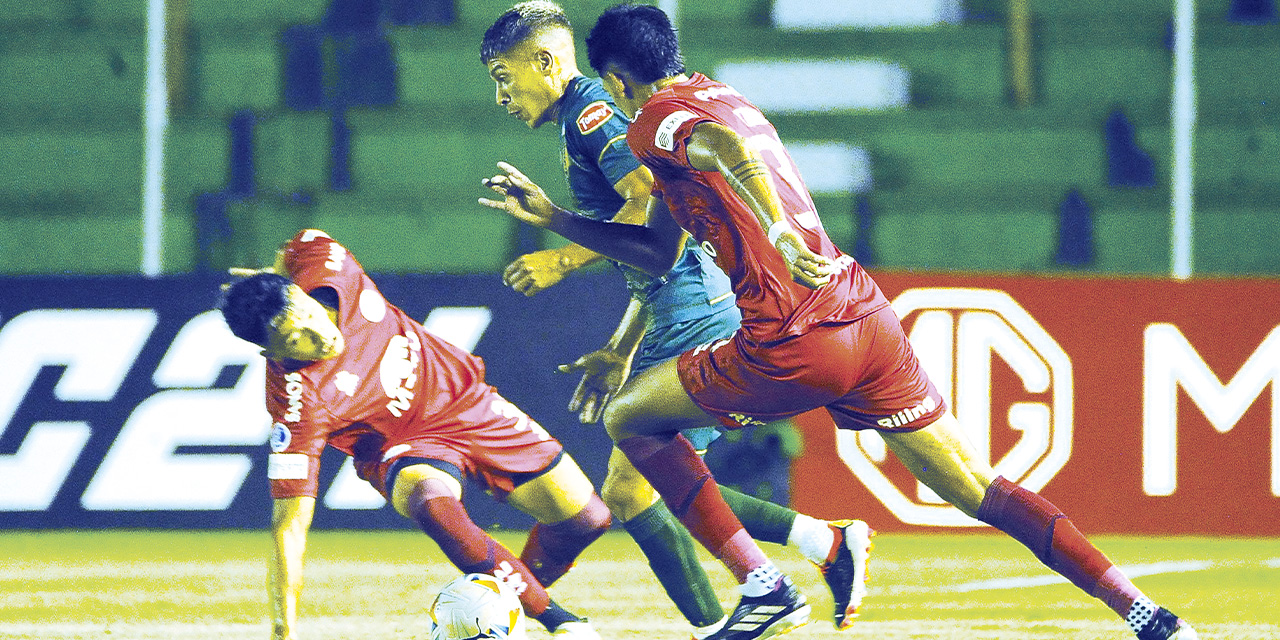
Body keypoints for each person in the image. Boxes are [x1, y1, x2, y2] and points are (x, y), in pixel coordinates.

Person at [478, 5, 1200, 640]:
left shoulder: (655, 119)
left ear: (619, 77)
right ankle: (1141, 611)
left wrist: (776, 231)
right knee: (979, 489)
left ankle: (764, 585)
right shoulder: (728, 96)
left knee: (631, 420)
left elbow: (719, 156)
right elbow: (658, 246)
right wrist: (556, 219)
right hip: (866, 317)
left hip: (792, 340)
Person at [479, 3, 871, 637]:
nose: (501, 95)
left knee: (635, 486)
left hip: (695, 305)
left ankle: (760, 594)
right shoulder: (581, 117)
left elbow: (647, 199)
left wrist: (564, 256)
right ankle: (817, 549)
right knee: (641, 486)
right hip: (679, 303)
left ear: (545, 62)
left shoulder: (590, 116)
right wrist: (620, 347)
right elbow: (653, 252)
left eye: (504, 75)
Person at [219, 229, 610, 640]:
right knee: (430, 499)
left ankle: (495, 606)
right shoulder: (297, 402)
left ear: (298, 292)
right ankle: (561, 623)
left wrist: (272, 272)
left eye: (309, 317)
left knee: (587, 520)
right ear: (270, 353)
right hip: (402, 445)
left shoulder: (324, 262)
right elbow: (289, 526)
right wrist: (284, 631)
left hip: (464, 402)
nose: (320, 337)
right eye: (296, 340)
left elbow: (291, 249)